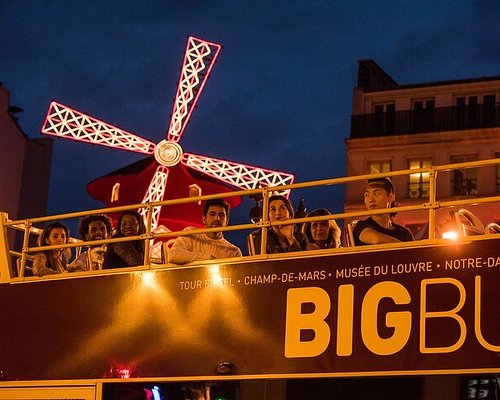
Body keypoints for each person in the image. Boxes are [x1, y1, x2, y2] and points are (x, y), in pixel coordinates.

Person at [168, 199, 242, 264]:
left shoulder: (234, 252)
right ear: (204, 219)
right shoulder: (191, 234)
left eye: (221, 215)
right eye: (212, 214)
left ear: (227, 221)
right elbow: (173, 255)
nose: (217, 218)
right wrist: (206, 258)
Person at [353, 178, 414, 246]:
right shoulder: (361, 226)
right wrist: (404, 247)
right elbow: (377, 239)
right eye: (366, 195)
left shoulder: (404, 233)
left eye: (376, 194)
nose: (370, 199)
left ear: (391, 197)